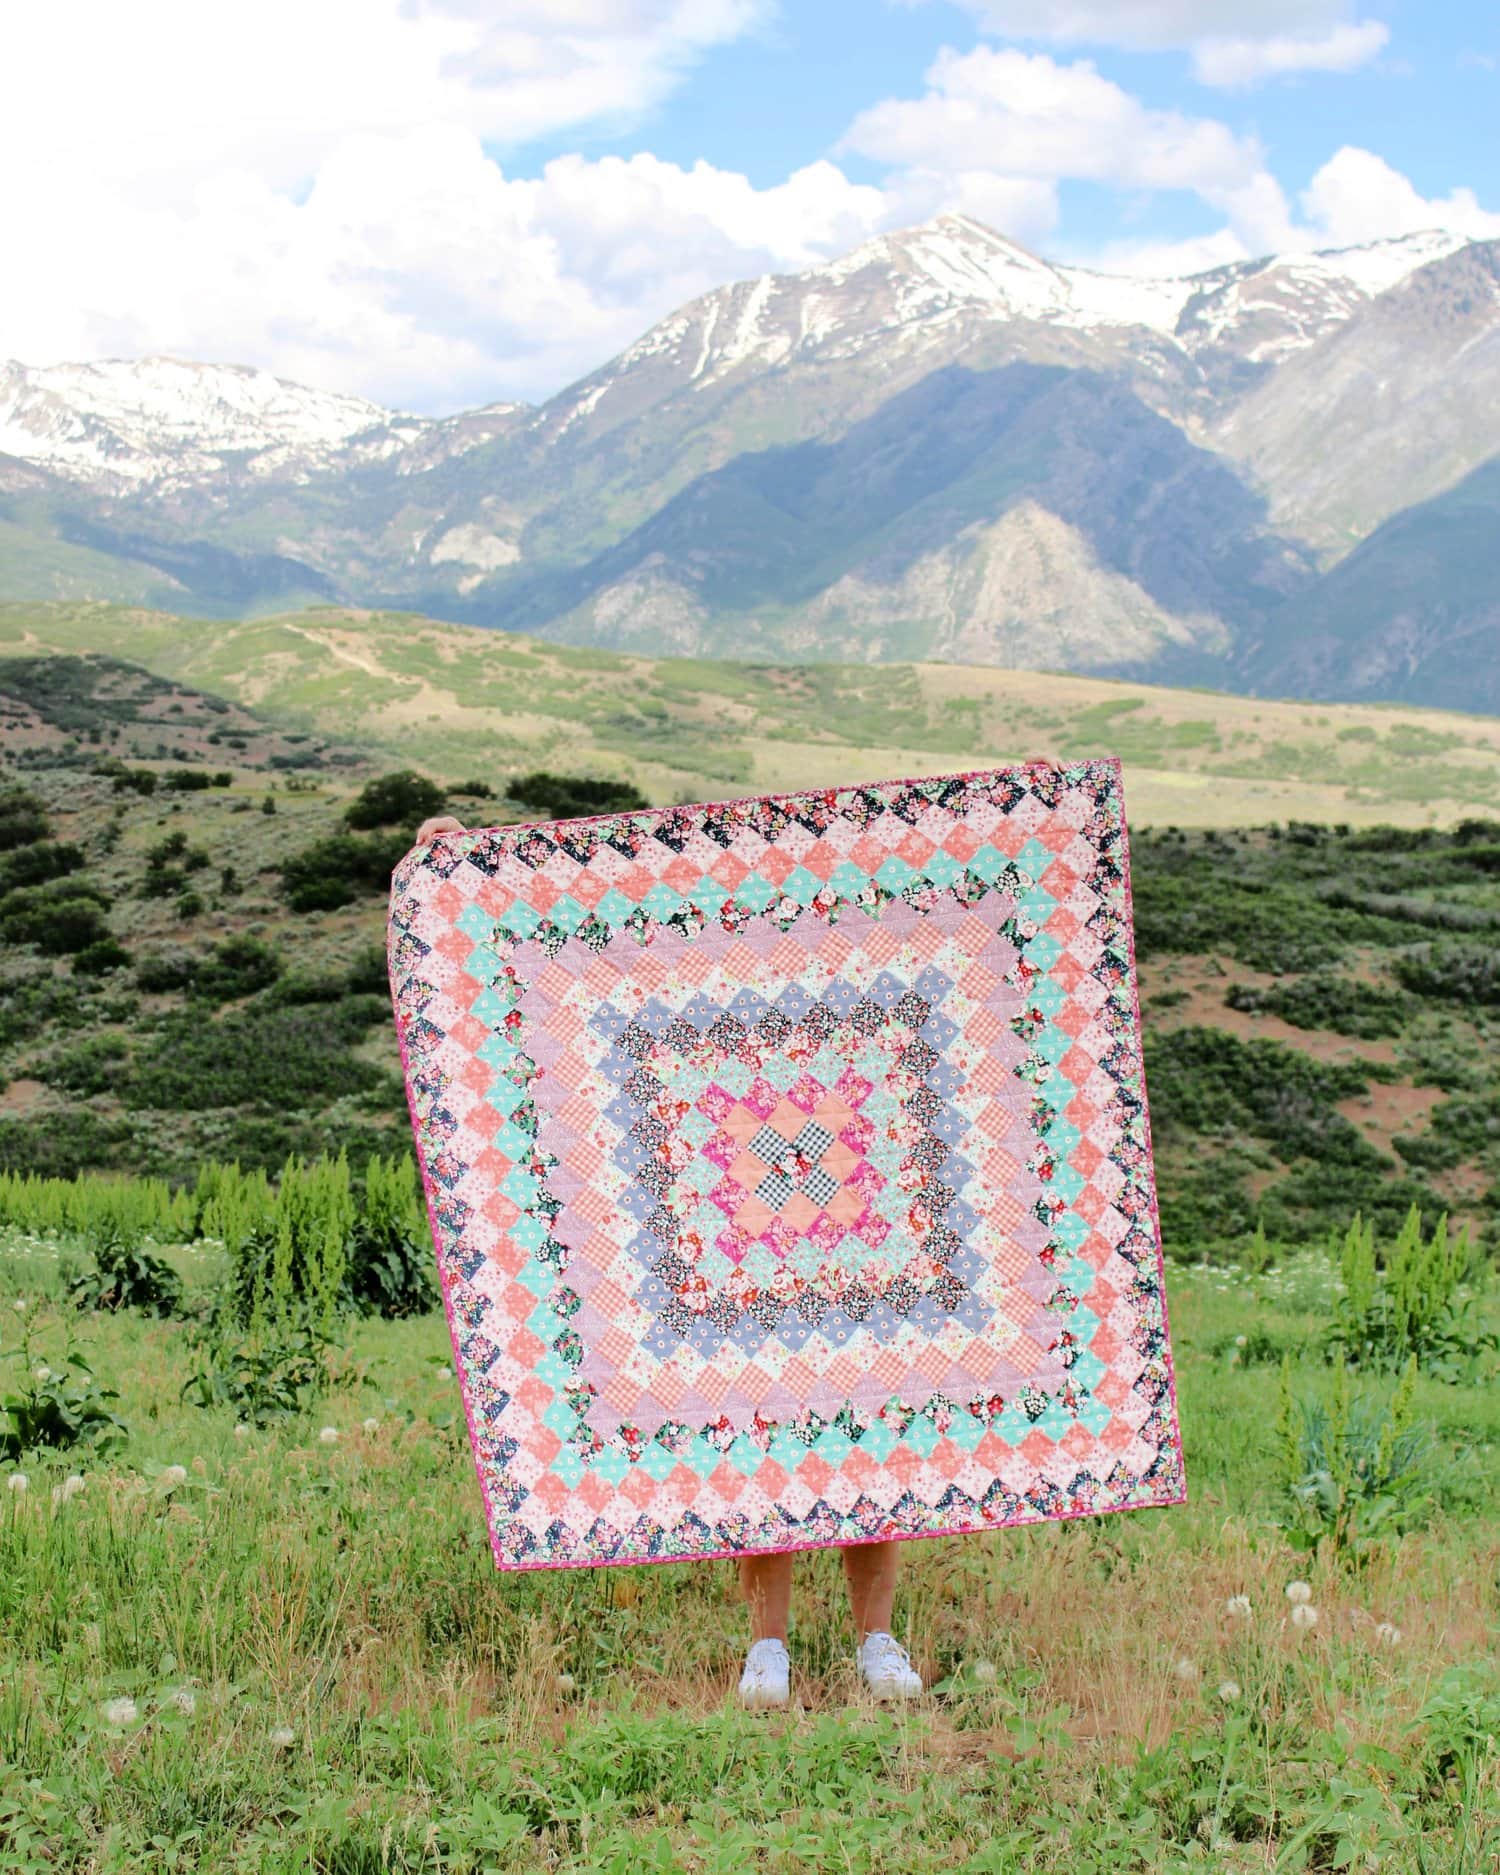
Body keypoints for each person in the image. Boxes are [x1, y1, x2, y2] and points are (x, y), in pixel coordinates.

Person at [415, 813, 925, 1710]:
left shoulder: (834, 982)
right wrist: (461, 861)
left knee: (869, 1446)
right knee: (765, 1447)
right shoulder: (711, 994)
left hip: (859, 1249)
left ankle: (875, 1641)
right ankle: (769, 1648)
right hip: (739, 1260)